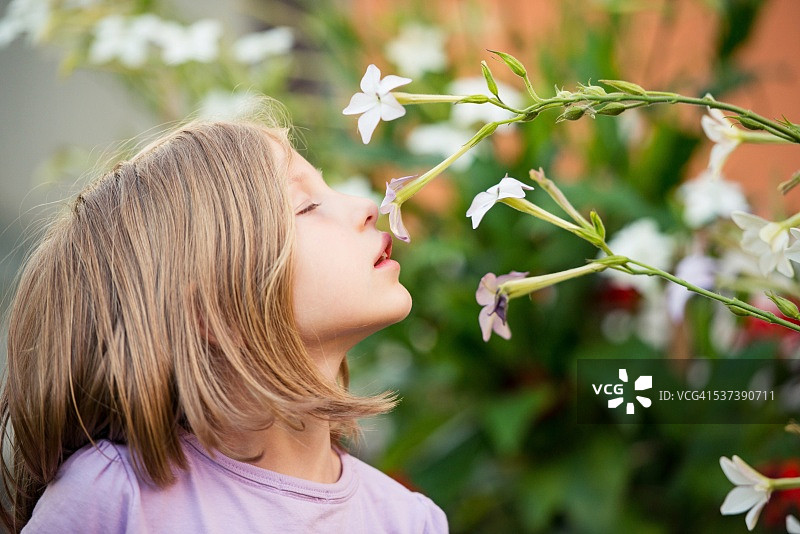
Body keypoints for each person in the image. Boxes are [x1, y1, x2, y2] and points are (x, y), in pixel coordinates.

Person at [0, 106, 448, 533]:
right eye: (306, 207)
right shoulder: (116, 499)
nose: (366, 206)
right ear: (211, 312)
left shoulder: (409, 521)